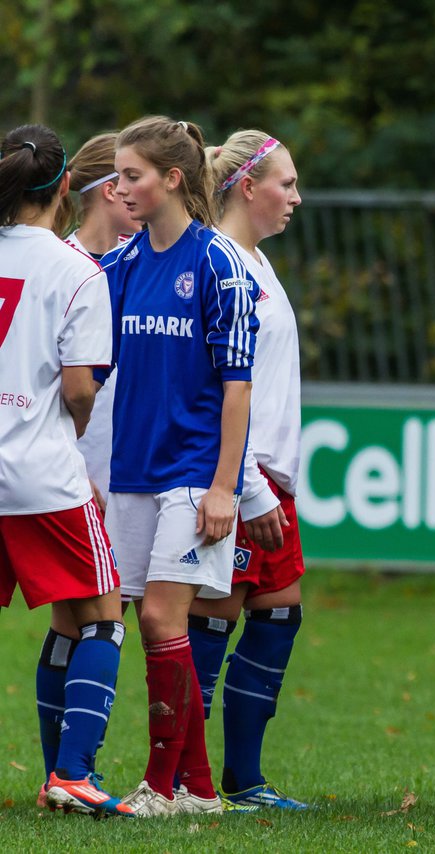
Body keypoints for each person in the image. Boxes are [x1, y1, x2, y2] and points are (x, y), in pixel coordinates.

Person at [96, 116, 261, 817]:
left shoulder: (217, 262)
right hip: (132, 471)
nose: (119, 186)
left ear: (172, 178)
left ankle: (159, 787)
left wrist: (225, 487)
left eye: (131, 174)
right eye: (116, 175)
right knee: (152, 625)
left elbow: (238, 385)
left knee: (166, 618)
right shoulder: (123, 265)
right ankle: (197, 786)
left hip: (193, 474)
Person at [0, 124, 132, 817]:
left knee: (70, 618)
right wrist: (73, 434)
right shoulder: (76, 271)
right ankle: (71, 773)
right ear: (63, 190)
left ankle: (60, 773)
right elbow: (80, 389)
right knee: (102, 616)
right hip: (39, 473)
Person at [183, 130, 306, 811]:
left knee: (278, 610)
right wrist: (246, 486)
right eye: (285, 184)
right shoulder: (224, 262)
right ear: (248, 187)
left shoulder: (255, 261)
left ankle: (244, 780)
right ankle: (181, 778)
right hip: (238, 482)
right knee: (214, 616)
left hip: (269, 483)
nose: (295, 196)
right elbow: (222, 386)